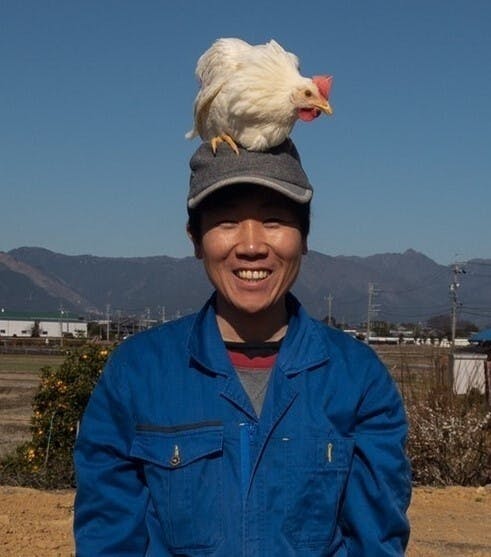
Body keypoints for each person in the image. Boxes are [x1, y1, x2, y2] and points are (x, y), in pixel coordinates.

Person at [74, 139, 411, 556]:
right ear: (196, 239)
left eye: (274, 220)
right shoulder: (137, 372)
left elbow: (375, 541)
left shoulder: (358, 377)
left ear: (304, 237)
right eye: (227, 221)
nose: (251, 245)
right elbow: (107, 537)